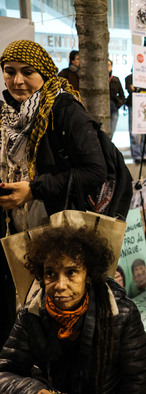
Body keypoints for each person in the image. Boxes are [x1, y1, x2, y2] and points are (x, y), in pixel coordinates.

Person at [0, 40, 107, 347]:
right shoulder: (6, 114)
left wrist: (33, 190)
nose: (17, 80)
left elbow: (95, 172)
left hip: (58, 230)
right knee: (23, 310)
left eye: (27, 72)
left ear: (44, 72)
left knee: (59, 308)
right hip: (15, 231)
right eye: (9, 72)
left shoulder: (64, 110)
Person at [0, 225, 146, 393]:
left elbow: (136, 382)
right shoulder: (31, 314)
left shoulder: (121, 314)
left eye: (71, 272)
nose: (60, 285)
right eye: (50, 273)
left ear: (89, 275)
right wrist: (33, 390)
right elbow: (5, 372)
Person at [125, 72, 146, 163]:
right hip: (133, 105)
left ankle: (145, 154)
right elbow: (131, 90)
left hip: (145, 105)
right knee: (133, 131)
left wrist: (137, 89)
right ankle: (137, 155)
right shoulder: (129, 77)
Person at [108, 59, 125, 139]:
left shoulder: (115, 79)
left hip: (114, 109)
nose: (107, 67)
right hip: (103, 109)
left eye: (109, 65)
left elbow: (122, 94)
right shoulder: (99, 80)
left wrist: (119, 104)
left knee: (111, 131)